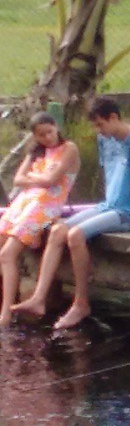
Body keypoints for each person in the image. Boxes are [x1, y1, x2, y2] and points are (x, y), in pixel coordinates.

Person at [13, 98, 130, 329]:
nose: (98, 131)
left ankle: (81, 303)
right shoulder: (105, 139)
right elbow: (110, 175)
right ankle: (39, 297)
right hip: (109, 205)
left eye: (100, 124)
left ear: (114, 118)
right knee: (58, 230)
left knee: (75, 234)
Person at [0, 113, 81, 327]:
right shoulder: (36, 151)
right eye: (41, 135)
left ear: (56, 127)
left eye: (49, 132)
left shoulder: (69, 149)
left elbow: (50, 180)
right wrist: (37, 179)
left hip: (46, 206)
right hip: (24, 203)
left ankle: (5, 314)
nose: (47, 138)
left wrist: (33, 178)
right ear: (35, 136)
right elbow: (17, 179)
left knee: (7, 254)